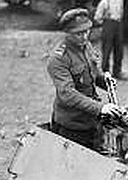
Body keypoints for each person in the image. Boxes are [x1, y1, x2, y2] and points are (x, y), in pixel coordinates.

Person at [47, 8, 124, 150]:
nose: (84, 37)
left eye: (86, 31)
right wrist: (100, 108)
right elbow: (67, 94)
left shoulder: (86, 46)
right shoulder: (58, 59)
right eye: (78, 33)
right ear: (67, 33)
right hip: (72, 125)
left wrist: (105, 82)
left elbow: (93, 74)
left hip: (91, 120)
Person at [94, 0, 127, 80]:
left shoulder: (121, 1)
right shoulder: (105, 2)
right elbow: (97, 17)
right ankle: (106, 74)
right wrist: (104, 20)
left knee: (119, 50)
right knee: (106, 50)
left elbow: (121, 13)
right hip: (108, 26)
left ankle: (117, 72)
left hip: (118, 26)